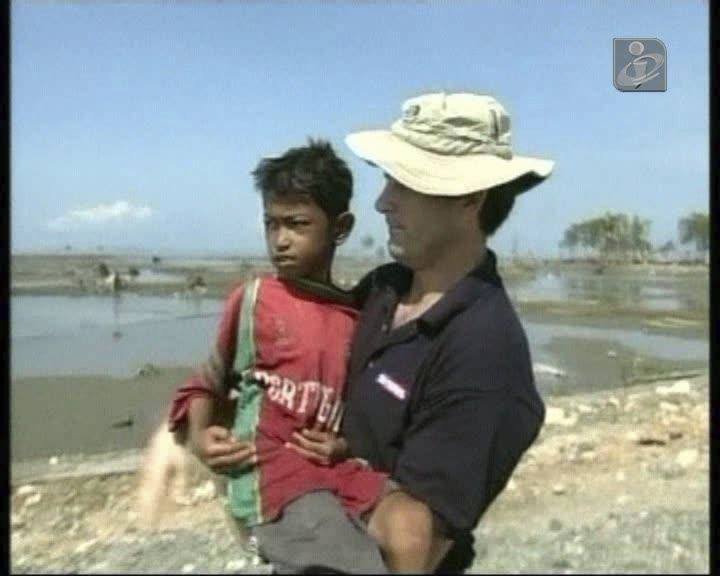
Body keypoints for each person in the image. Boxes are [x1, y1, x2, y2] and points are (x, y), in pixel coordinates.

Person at [164, 139, 398, 573]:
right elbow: (207, 379)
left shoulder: (356, 317)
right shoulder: (254, 300)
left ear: (340, 228)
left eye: (296, 224)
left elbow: (362, 407)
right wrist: (199, 436)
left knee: (413, 526)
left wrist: (345, 444)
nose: (281, 240)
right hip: (272, 474)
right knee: (350, 563)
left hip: (337, 472)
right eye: (271, 224)